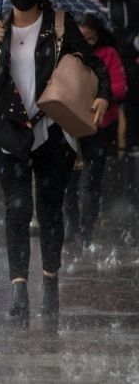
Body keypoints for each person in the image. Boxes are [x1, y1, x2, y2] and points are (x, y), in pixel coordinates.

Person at [0, 0, 111, 319]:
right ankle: (18, 288)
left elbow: (95, 66)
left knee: (49, 211)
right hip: (9, 134)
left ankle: (50, 279)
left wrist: (103, 95)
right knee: (17, 209)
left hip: (51, 132)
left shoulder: (60, 24)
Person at [63, 14, 127, 250]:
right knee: (68, 181)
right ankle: (72, 225)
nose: (85, 41)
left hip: (100, 126)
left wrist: (98, 91)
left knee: (90, 181)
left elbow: (120, 88)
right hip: (71, 125)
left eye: (89, 38)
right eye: (81, 37)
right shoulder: (68, 54)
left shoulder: (109, 54)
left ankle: (86, 229)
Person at [100, 0, 139, 153]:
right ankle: (111, 143)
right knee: (109, 100)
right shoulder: (101, 4)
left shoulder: (134, 3)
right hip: (109, 57)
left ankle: (132, 142)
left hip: (130, 57)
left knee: (132, 102)